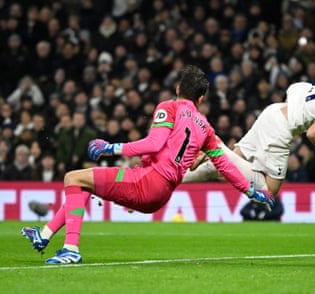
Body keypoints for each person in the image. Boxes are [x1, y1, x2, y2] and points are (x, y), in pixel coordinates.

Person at [21, 65, 273, 265]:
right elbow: (225, 165)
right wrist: (251, 192)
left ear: (177, 88)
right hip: (161, 194)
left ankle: (70, 249)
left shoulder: (169, 107)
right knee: (83, 185)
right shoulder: (206, 127)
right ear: (201, 97)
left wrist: (111, 147)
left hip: (147, 181)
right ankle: (44, 235)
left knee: (72, 178)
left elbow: (154, 143)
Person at [184, 51, 315, 195]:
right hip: (282, 128)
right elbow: (314, 133)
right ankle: (216, 148)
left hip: (275, 111)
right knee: (269, 191)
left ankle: (172, 176)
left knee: (231, 163)